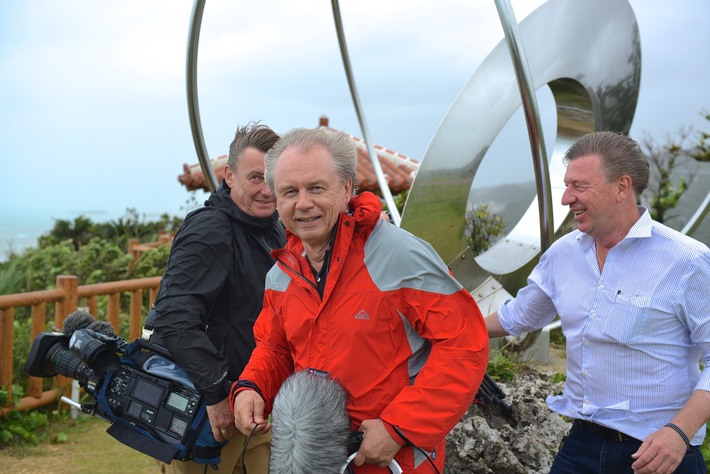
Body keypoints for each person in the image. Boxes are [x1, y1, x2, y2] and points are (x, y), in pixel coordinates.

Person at [229, 127, 489, 473]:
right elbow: (275, 348)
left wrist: (400, 427)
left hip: (396, 461)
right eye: (289, 191)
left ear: (347, 188)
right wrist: (253, 387)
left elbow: (464, 345)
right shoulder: (281, 274)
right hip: (315, 458)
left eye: (316, 187)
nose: (303, 203)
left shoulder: (399, 256)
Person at [486, 131, 710, 474]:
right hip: (581, 444)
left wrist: (679, 432)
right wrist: (434, 326)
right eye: (566, 185)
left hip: (659, 452)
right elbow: (515, 318)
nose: (566, 198)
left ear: (622, 187)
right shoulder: (562, 255)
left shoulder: (687, 260)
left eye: (579, 186)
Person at [146, 123, 285, 474]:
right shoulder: (211, 228)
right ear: (229, 176)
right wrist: (216, 392)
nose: (267, 189)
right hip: (212, 414)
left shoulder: (274, 228)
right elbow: (174, 317)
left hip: (259, 405)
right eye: (256, 177)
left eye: (273, 177)